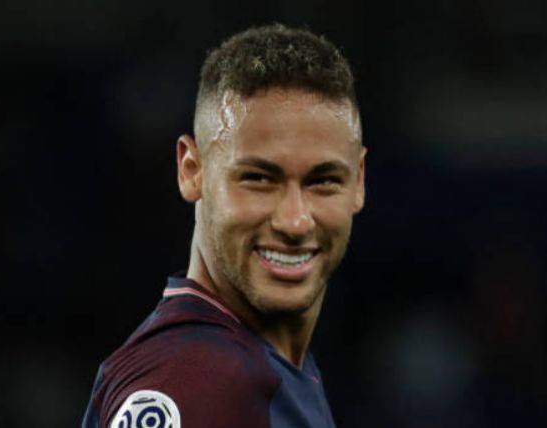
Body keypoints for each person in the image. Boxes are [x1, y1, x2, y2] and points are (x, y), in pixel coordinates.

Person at [82, 23, 366, 428]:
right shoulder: (200, 381)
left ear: (359, 181)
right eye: (258, 179)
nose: (295, 221)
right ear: (191, 170)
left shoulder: (260, 366)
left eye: (323, 181)